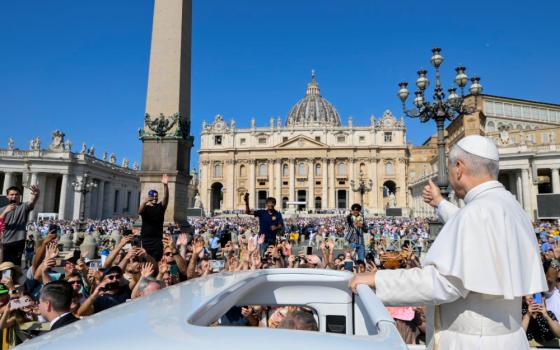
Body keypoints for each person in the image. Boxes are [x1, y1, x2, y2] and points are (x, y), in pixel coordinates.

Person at [349, 135, 547, 349]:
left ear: (459, 168)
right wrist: (440, 203)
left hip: (472, 343)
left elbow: (443, 283)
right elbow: (479, 238)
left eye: (450, 169)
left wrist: (378, 279)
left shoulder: (476, 213)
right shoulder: (509, 205)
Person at [0, 185, 40, 264]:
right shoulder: (1, 209)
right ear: (7, 196)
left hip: (18, 241)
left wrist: (36, 194)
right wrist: (5, 212)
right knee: (2, 266)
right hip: (3, 242)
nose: (14, 196)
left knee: (14, 266)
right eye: (12, 194)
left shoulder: (23, 206)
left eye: (16, 194)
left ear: (19, 196)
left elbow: (32, 202)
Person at [139, 174, 169, 262]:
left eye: (156, 196)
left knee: (157, 260)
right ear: (149, 197)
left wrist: (165, 185)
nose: (155, 198)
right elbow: (140, 211)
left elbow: (166, 198)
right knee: (145, 261)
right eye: (153, 196)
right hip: (146, 239)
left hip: (157, 239)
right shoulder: (146, 208)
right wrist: (144, 201)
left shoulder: (161, 207)